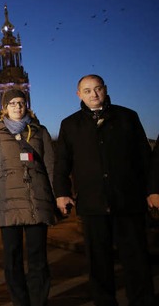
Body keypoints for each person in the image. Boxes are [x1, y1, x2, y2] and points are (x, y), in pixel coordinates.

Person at [54, 74, 158, 306]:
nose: (94, 94)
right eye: (88, 90)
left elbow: (145, 158)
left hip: (127, 201)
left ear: (105, 89)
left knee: (136, 259)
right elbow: (62, 163)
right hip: (92, 203)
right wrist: (61, 192)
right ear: (79, 94)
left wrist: (152, 190)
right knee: (98, 263)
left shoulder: (127, 117)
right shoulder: (70, 124)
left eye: (97, 89)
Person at [0, 89, 56, 306]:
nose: (17, 106)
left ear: (27, 105)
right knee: (12, 257)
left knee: (38, 257)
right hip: (8, 202)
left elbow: (50, 165)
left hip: (36, 200)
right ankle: (20, 301)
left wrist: (57, 197)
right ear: (5, 108)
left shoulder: (39, 131)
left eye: (21, 102)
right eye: (13, 103)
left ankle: (38, 300)